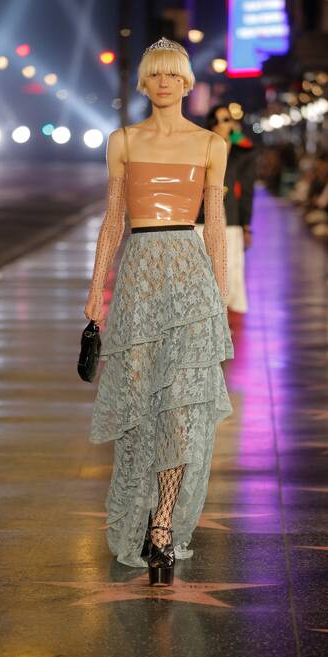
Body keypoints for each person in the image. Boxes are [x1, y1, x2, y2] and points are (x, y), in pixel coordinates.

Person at [84, 37, 234, 586]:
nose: (165, 82)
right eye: (156, 74)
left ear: (187, 82)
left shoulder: (211, 144)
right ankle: (140, 513)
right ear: (144, 82)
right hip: (140, 281)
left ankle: (163, 525)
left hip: (191, 280)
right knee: (140, 405)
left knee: (180, 409)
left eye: (174, 73)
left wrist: (219, 294)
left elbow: (215, 224)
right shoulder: (122, 140)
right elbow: (112, 220)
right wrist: (96, 289)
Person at [196, 104, 256, 315]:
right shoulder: (200, 149)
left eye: (226, 120)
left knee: (229, 268)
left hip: (230, 217)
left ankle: (223, 315)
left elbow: (247, 190)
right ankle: (206, 315)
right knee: (204, 268)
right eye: (218, 120)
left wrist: (246, 225)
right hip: (202, 217)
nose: (222, 124)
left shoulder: (242, 152)